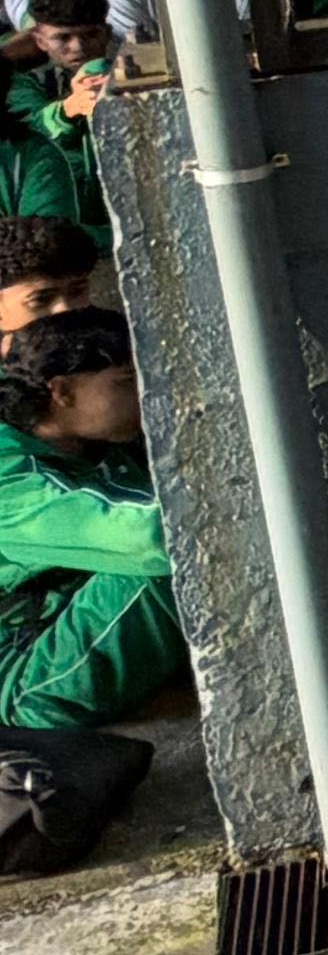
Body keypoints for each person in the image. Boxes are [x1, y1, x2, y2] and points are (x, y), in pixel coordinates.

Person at [0, 308, 188, 732]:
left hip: (72, 623)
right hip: (31, 677)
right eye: (126, 381)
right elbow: (153, 540)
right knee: (166, 560)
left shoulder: (96, 442)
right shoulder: (8, 482)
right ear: (62, 391)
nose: (144, 394)